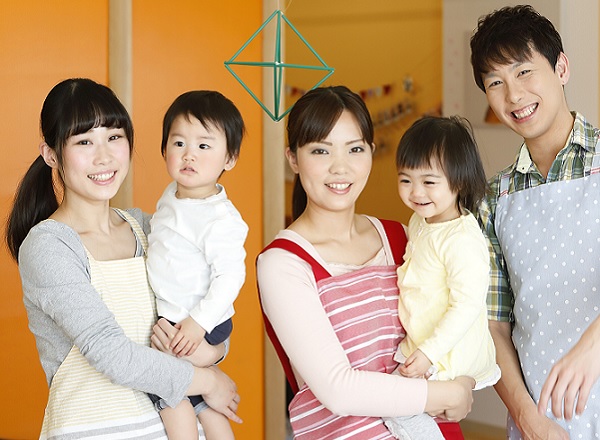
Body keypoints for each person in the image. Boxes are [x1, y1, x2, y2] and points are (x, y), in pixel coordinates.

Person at [4, 78, 241, 439]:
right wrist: (208, 381)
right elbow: (110, 354)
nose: (104, 157)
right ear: (51, 154)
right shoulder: (49, 246)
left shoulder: (148, 227)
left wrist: (211, 352)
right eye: (84, 142)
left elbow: (207, 308)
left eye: (114, 137)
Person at [256, 86, 475, 440]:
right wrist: (448, 394)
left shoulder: (403, 237)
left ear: (371, 153)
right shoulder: (282, 264)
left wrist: (466, 380)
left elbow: (460, 312)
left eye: (355, 149)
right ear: (293, 158)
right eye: (320, 150)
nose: (340, 167)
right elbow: (338, 390)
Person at [471, 5, 600, 439]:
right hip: (543, 424)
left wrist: (593, 343)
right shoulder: (494, 199)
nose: (513, 95)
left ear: (561, 68)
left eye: (524, 72)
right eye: (496, 82)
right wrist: (529, 420)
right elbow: (493, 326)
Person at [382, 116, 501, 439]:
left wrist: (429, 353)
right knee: (404, 408)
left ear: (459, 182)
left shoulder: (461, 239)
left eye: (429, 182)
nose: (416, 192)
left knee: (397, 406)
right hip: (426, 341)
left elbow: (467, 305)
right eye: (405, 180)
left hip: (448, 350)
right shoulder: (421, 220)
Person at [146, 90, 248, 440]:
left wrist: (198, 323)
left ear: (229, 158)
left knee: (170, 394)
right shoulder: (171, 195)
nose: (189, 154)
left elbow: (231, 276)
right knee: (202, 401)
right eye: (178, 143)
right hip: (177, 317)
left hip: (199, 320)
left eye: (204, 146)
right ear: (164, 149)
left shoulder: (220, 218)